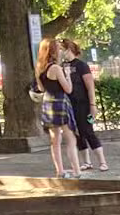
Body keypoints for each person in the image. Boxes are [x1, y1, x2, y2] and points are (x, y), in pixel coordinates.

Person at [35, 35, 81, 178]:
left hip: (48, 103)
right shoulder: (56, 68)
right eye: (58, 49)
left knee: (55, 140)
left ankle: (60, 171)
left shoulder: (39, 68)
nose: (60, 51)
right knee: (70, 138)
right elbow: (68, 89)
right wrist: (67, 75)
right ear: (53, 51)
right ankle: (77, 171)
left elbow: (41, 88)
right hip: (60, 102)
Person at [60, 38, 108, 171]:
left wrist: (92, 104)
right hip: (70, 105)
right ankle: (86, 161)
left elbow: (90, 86)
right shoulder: (62, 66)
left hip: (84, 105)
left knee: (88, 130)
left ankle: (102, 161)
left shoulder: (82, 66)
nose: (60, 52)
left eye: (62, 49)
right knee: (76, 132)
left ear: (68, 50)